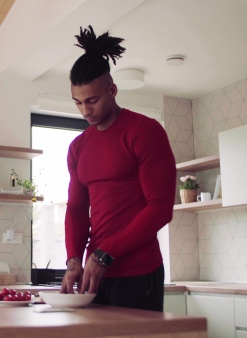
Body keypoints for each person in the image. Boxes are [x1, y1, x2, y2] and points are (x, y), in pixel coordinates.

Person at [59, 26, 176, 312]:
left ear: (112, 90)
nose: (85, 111)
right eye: (78, 102)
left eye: (92, 100)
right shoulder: (78, 147)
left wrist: (104, 254)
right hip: (94, 274)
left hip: (139, 273)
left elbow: (160, 207)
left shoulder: (144, 132)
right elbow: (76, 209)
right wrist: (74, 259)